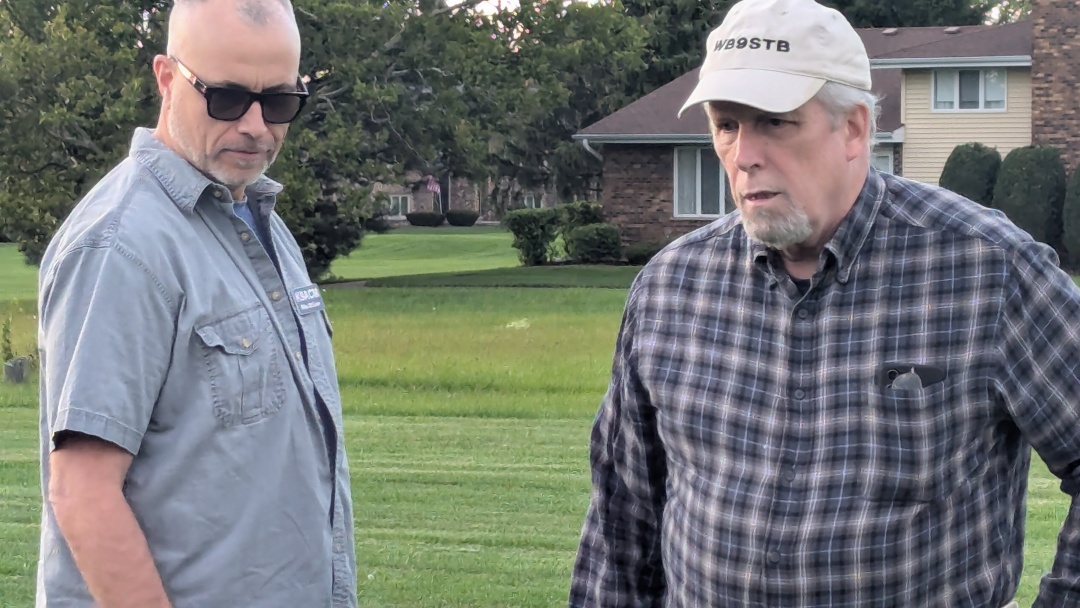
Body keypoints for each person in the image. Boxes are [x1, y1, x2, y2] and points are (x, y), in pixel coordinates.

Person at [568, 0, 1080, 606]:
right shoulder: (670, 288)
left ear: (854, 129)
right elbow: (622, 516)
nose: (744, 154)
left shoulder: (987, 270)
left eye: (774, 122)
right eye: (727, 125)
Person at [35, 0, 356, 606]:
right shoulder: (122, 245)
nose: (256, 126)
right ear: (166, 78)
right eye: (227, 98)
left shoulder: (256, 220)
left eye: (280, 101)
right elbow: (82, 490)